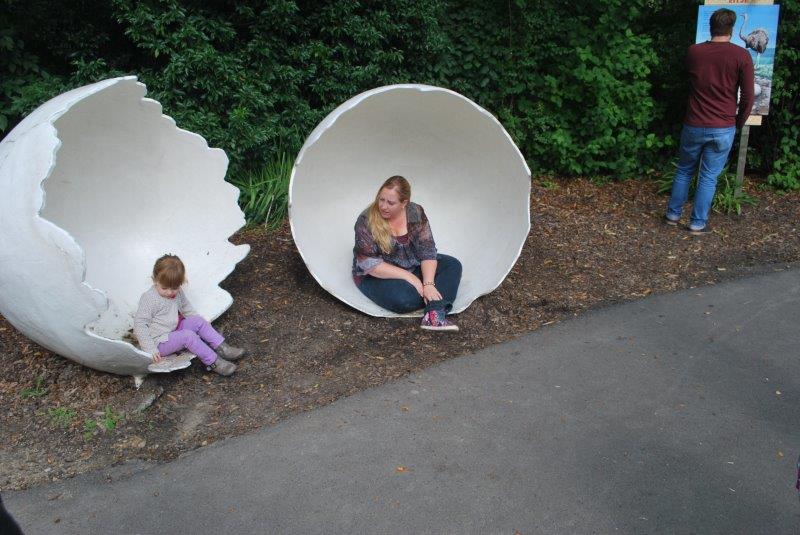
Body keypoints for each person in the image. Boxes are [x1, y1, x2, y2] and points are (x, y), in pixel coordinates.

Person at [665, 7, 755, 235]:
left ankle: (672, 215)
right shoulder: (741, 56)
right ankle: (697, 223)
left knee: (684, 170)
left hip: (694, 121)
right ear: (732, 30)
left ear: (710, 27)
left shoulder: (694, 52)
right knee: (708, 176)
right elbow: (747, 96)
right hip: (723, 125)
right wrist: (739, 121)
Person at [353, 175, 462, 331]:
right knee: (404, 299)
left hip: (411, 264)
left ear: (405, 203)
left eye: (390, 203)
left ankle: (434, 314)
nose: (383, 206)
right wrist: (412, 279)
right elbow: (370, 264)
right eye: (381, 200)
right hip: (376, 274)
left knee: (452, 265)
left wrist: (429, 284)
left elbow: (427, 250)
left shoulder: (415, 212)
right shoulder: (366, 220)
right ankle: (436, 301)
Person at [134, 254, 245, 376]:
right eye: (165, 288)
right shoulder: (149, 298)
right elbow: (140, 325)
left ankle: (223, 348)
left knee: (197, 320)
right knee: (188, 336)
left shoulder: (177, 292)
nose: (170, 292)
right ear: (155, 280)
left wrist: (201, 325)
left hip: (173, 330)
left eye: (175, 288)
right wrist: (150, 349)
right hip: (159, 341)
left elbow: (187, 308)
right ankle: (214, 362)